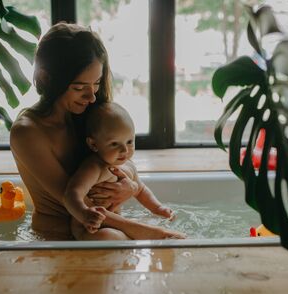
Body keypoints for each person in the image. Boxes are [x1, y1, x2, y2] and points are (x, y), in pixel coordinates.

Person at [10, 22, 185, 240]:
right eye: (79, 87)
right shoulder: (28, 132)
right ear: (46, 78)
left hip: (112, 227)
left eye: (96, 84)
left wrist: (130, 186)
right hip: (59, 239)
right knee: (114, 241)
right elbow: (76, 201)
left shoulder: (90, 113)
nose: (91, 96)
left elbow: (118, 158)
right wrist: (150, 232)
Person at [65, 102, 183, 240]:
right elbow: (72, 194)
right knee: (110, 237)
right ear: (93, 144)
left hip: (116, 222)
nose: (124, 150)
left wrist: (157, 208)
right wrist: (84, 214)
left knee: (122, 236)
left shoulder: (128, 165)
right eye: (114, 144)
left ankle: (141, 236)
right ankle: (144, 236)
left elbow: (140, 189)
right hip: (89, 228)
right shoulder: (93, 167)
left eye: (129, 142)